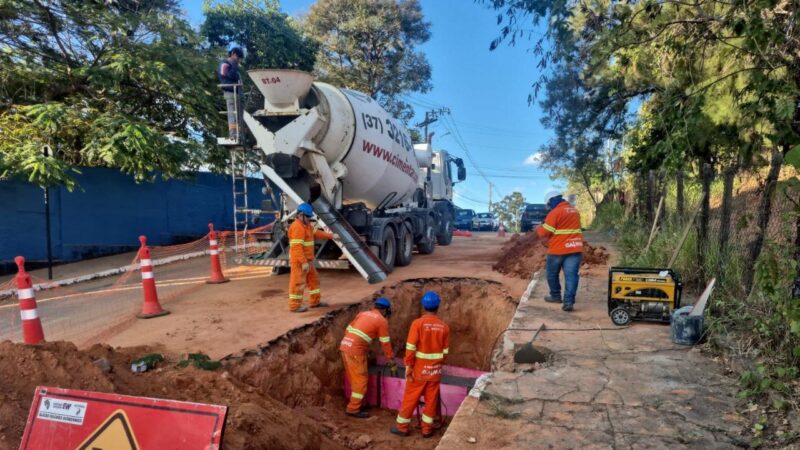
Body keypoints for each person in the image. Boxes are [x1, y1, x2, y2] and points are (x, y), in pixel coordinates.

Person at [391, 291, 450, 438]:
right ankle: (426, 429)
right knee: (431, 401)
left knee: (410, 398)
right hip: (435, 372)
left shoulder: (417, 324)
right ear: (438, 307)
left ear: (424, 306)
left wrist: (409, 366)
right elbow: (445, 352)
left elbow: (410, 348)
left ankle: (402, 427)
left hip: (418, 371)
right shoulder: (444, 327)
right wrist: (436, 365)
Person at [340, 298, 398, 418]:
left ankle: (358, 402)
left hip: (345, 346)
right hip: (356, 351)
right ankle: (353, 409)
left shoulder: (363, 314)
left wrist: (360, 346)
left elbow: (348, 329)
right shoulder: (382, 321)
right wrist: (391, 360)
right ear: (385, 310)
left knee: (354, 378)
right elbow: (385, 343)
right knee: (361, 381)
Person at [536, 189, 584, 311]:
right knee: (571, 276)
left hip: (557, 250)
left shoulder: (555, 213)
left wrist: (539, 227)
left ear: (552, 201)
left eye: (548, 204)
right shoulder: (575, 211)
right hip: (575, 248)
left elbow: (544, 232)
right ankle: (568, 302)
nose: (548, 207)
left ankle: (555, 296)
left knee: (552, 274)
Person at [287, 203, 336, 312]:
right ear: (300, 215)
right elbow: (297, 248)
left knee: (314, 280)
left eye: (310, 217)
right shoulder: (297, 227)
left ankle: (315, 302)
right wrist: (304, 262)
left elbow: (316, 233)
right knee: (298, 283)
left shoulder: (306, 226)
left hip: (308, 261)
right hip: (300, 262)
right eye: (308, 216)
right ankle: (294, 306)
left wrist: (331, 236)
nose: (309, 219)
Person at [218, 47, 244, 141]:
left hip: (237, 93)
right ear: (233, 53)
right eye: (238, 57)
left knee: (240, 115)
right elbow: (229, 76)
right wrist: (234, 66)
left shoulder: (233, 65)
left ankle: (240, 134)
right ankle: (233, 135)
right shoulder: (224, 64)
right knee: (233, 114)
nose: (238, 60)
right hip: (230, 92)